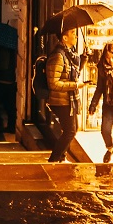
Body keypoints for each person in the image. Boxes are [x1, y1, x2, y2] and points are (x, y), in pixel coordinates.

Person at [45, 28, 82, 163]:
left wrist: (84, 60)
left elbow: (70, 74)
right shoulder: (58, 55)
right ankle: (54, 159)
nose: (76, 36)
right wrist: (75, 85)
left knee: (72, 130)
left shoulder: (68, 54)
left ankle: (60, 157)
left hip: (67, 100)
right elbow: (53, 83)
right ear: (64, 38)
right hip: (60, 100)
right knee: (70, 131)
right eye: (73, 33)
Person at [88, 41, 113, 163]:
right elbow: (99, 88)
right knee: (105, 130)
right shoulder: (102, 68)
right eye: (108, 58)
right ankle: (110, 148)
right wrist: (93, 105)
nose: (111, 61)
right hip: (109, 104)